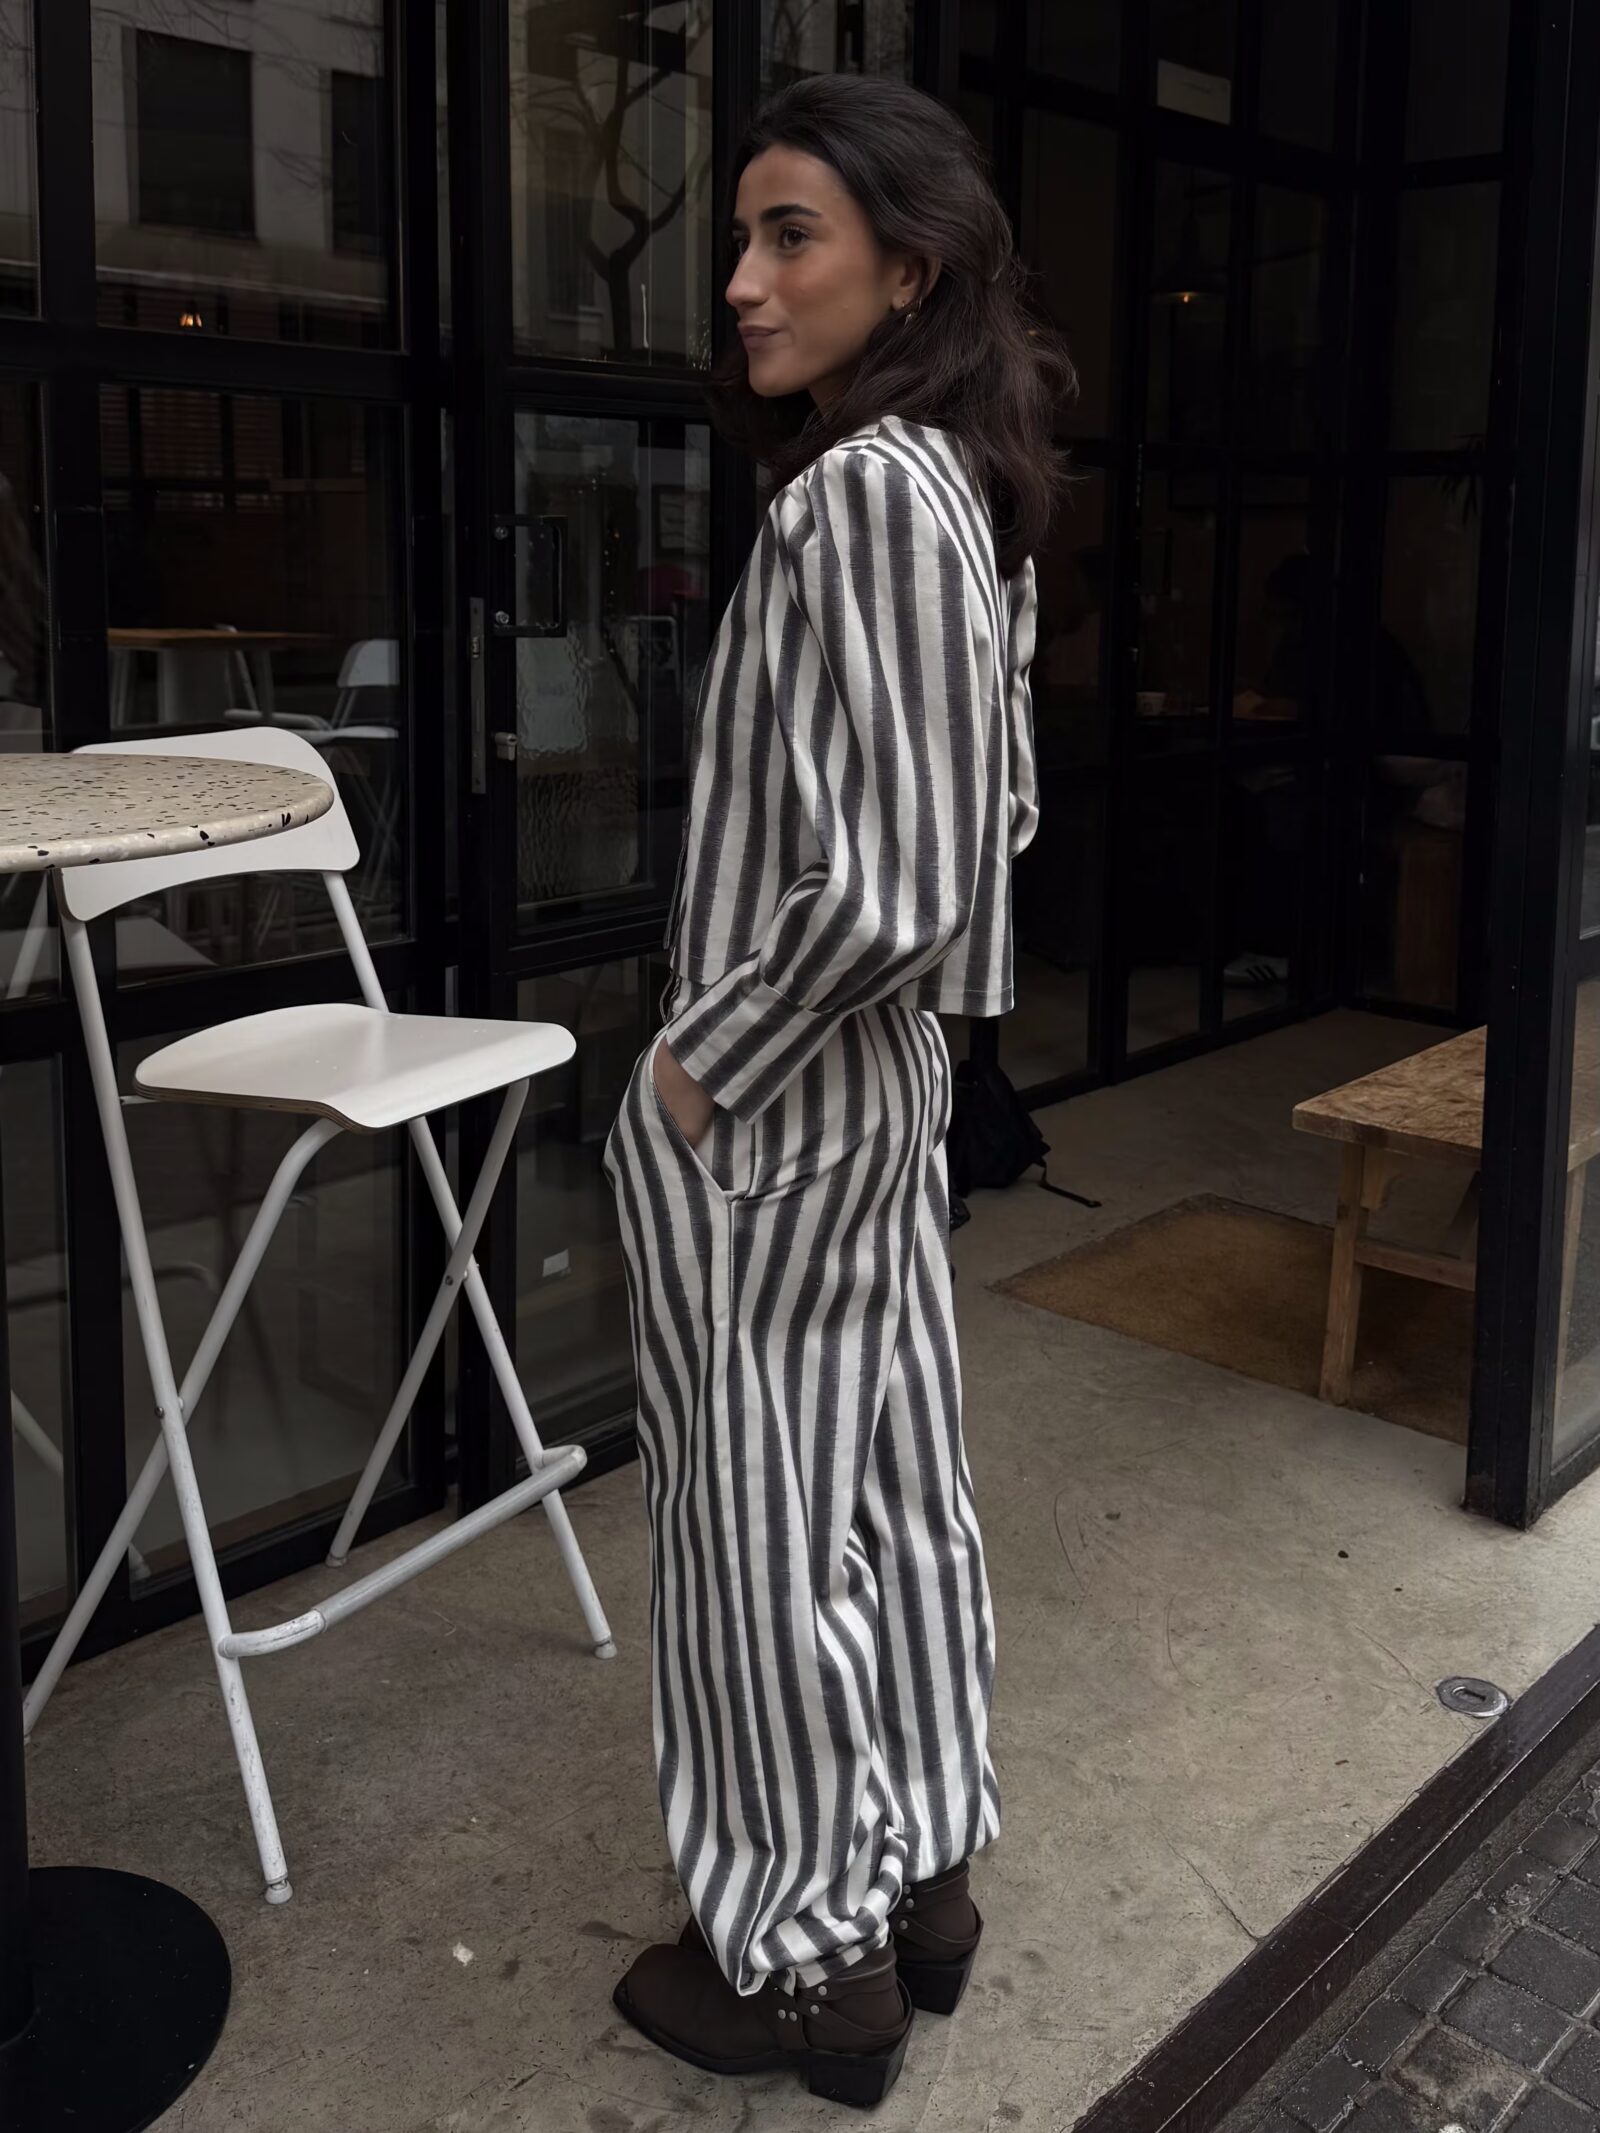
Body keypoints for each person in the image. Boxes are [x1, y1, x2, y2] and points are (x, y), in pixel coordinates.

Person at [599, 72, 1072, 2106]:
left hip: (774, 1097)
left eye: (789, 233)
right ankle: (923, 1882)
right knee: (883, 1489)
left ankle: (807, 1966)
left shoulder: (858, 496)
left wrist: (701, 1068)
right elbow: (998, 816)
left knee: (755, 1539)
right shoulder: (963, 493)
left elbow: (899, 877)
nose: (741, 279)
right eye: (742, 237)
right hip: (869, 1090)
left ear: (912, 268)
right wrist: (903, 1048)